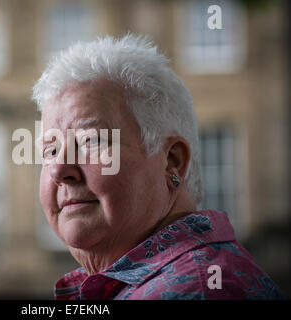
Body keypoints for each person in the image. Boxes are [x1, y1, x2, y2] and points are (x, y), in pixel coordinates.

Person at [32, 34, 285, 300]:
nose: (58, 170)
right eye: (50, 150)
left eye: (91, 141)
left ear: (172, 161)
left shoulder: (197, 290)